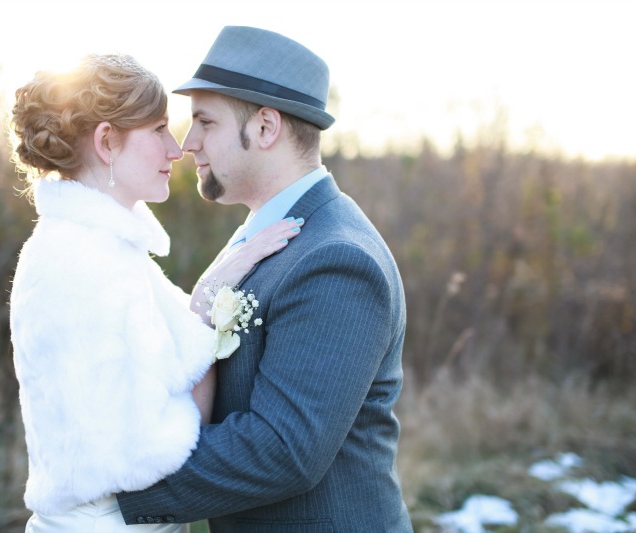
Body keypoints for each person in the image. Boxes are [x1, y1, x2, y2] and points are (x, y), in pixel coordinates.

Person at [116, 26, 413, 532]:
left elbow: (283, 449)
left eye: (205, 122)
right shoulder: (267, 234)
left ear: (266, 127)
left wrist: (126, 472)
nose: (188, 144)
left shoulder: (336, 259)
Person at [7, 53, 303, 532]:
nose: (176, 148)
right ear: (107, 142)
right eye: (159, 129)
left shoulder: (85, 246)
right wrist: (208, 306)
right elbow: (154, 450)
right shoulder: (90, 262)